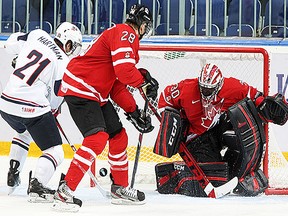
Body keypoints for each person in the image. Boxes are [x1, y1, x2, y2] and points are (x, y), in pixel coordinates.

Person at [52, 4, 158, 210]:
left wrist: (133, 111)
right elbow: (125, 70)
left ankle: (119, 188)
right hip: (81, 87)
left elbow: (117, 84)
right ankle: (65, 192)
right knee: (97, 138)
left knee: (118, 136)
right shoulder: (126, 33)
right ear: (142, 24)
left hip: (94, 93)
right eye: (146, 25)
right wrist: (143, 83)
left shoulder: (120, 35)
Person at [153, 63, 288, 197]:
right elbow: (165, 97)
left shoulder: (231, 86)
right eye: (203, 89)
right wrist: (171, 123)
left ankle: (245, 169)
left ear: (219, 85)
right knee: (217, 176)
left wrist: (261, 103)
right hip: (196, 138)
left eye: (209, 90)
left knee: (243, 111)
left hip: (217, 127)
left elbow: (253, 94)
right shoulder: (187, 88)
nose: (206, 93)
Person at [0, 22, 82, 202]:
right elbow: (56, 96)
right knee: (56, 151)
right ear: (67, 43)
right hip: (31, 104)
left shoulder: (37, 34)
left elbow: (9, 44)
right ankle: (37, 184)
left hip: (6, 101)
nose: (72, 51)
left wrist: (20, 56)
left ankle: (13, 173)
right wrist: (52, 110)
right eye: (73, 47)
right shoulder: (64, 61)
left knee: (24, 132)